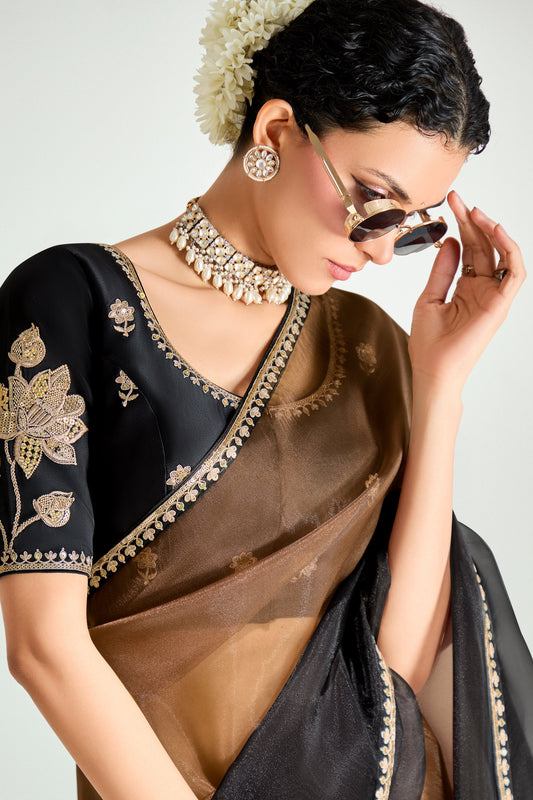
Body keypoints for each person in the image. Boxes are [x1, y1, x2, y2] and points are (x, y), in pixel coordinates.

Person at [0, 0, 531, 797]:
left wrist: (439, 385)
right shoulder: (71, 299)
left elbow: (396, 665)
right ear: (277, 131)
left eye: (410, 227)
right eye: (372, 202)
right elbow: (43, 646)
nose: (380, 252)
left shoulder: (368, 347)